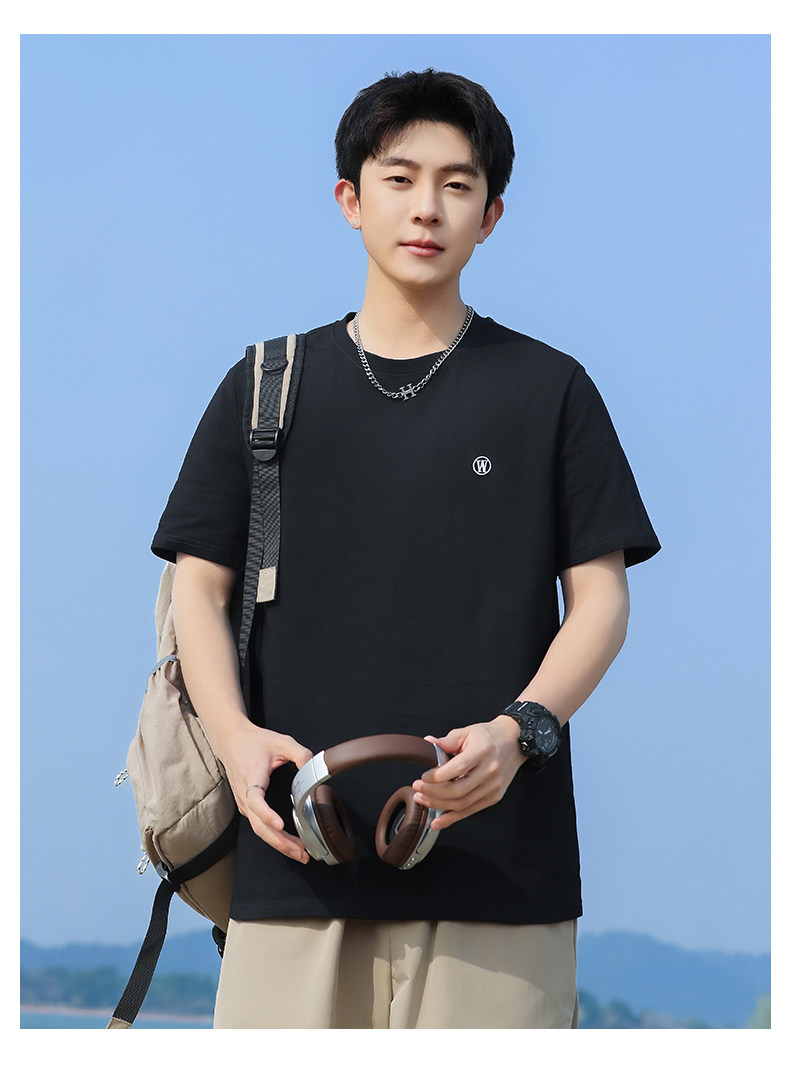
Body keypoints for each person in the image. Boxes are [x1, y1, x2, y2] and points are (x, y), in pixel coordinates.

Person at [151, 68, 660, 1029]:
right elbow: (197, 591)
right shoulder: (263, 388)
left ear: (491, 215)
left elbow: (601, 602)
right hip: (295, 867)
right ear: (350, 199)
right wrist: (237, 738)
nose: (427, 207)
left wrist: (520, 732)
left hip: (501, 879)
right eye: (399, 179)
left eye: (457, 185)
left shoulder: (551, 390)